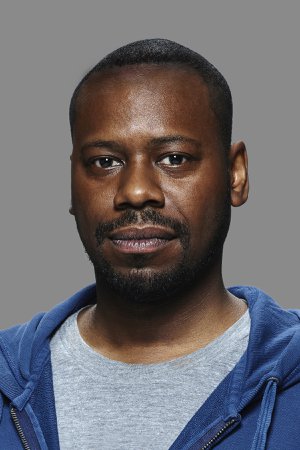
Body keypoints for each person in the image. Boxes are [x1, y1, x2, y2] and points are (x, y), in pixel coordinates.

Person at [0, 38, 299, 450]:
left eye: (174, 158)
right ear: (72, 183)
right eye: (105, 162)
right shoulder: (7, 377)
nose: (136, 191)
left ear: (236, 175)